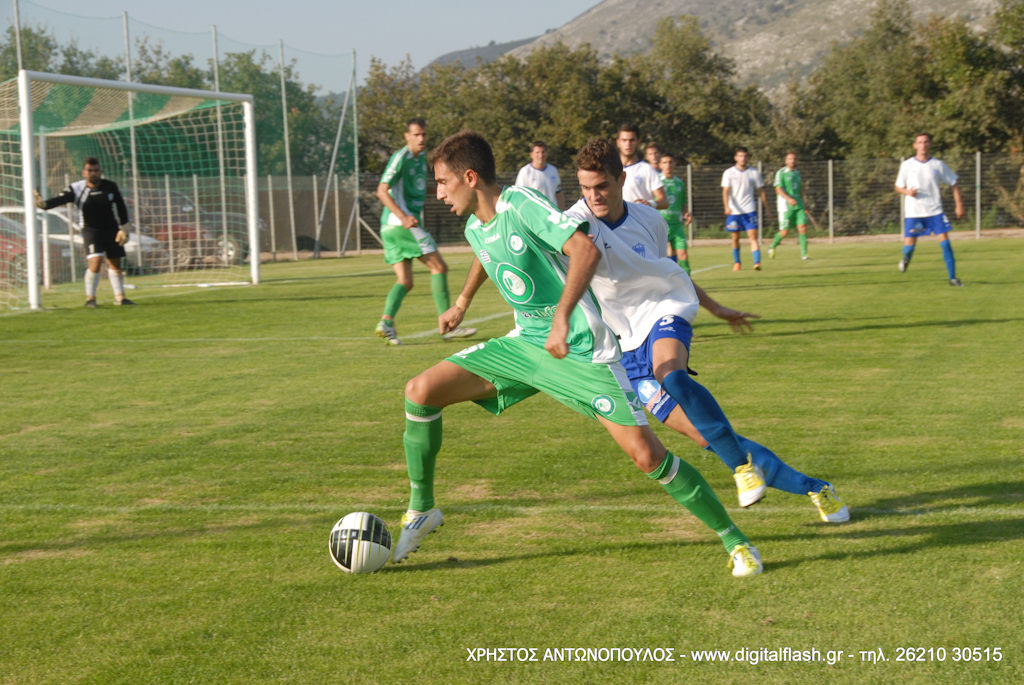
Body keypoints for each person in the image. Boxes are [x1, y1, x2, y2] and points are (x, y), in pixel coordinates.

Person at [393, 130, 763, 577]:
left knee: (647, 456)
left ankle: (735, 540)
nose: (437, 193)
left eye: (441, 182)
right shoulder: (475, 223)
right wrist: (462, 303)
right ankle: (422, 509)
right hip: (525, 345)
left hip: (584, 349)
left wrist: (563, 316)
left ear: (469, 177)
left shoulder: (523, 204)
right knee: (421, 391)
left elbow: (583, 248)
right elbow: (483, 252)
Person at [567, 138, 848, 522]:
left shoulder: (648, 219)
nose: (593, 196)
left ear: (621, 179)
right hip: (625, 348)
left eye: (601, 186)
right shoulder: (572, 223)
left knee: (673, 376)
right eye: (585, 188)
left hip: (665, 310)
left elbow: (664, 271)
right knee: (706, 436)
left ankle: (742, 471)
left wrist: (713, 307)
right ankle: (816, 488)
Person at [374, 117, 476, 344]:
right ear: (407, 136)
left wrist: (447, 190)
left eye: (424, 135)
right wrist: (404, 217)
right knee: (439, 267)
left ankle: (386, 322)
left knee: (405, 280)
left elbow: (420, 189)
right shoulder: (402, 157)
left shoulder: (422, 160)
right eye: (417, 134)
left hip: (390, 227)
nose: (421, 139)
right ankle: (447, 325)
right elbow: (381, 190)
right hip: (401, 225)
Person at [34, 157, 134, 307]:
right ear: (84, 173)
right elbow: (60, 199)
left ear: (100, 172)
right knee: (96, 261)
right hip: (90, 230)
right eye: (90, 171)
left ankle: (120, 298)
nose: (93, 173)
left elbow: (120, 206)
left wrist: (124, 228)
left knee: (116, 264)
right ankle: (90, 299)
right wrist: (44, 205)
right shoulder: (76, 188)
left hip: (111, 229)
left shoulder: (110, 186)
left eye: (96, 170)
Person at [894, 133, 964, 286]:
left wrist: (959, 205)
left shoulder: (938, 165)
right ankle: (906, 259)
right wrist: (908, 192)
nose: (923, 145)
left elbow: (953, 183)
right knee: (909, 247)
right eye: (919, 142)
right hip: (914, 212)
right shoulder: (907, 165)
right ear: (915, 145)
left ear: (930, 144)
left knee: (945, 243)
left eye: (925, 142)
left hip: (935, 211)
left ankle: (953, 278)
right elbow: (898, 186)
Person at [721, 146, 770, 271]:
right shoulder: (729, 172)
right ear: (735, 158)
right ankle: (737, 262)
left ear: (748, 157)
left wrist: (767, 208)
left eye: (745, 156)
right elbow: (726, 191)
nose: (743, 158)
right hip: (734, 211)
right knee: (735, 238)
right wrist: (726, 206)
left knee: (753, 237)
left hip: (749, 210)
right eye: (740, 156)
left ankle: (757, 263)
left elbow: (761, 191)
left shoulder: (754, 173)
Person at [615, 123, 668, 209]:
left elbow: (664, 202)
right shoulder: (610, 168)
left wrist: (651, 204)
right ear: (618, 142)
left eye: (632, 140)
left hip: (641, 221)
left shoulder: (647, 169)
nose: (628, 144)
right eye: (624, 140)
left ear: (638, 142)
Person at [769, 151, 810, 261]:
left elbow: (800, 189)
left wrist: (804, 205)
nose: (792, 161)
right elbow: (778, 189)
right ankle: (772, 246)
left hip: (798, 205)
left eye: (794, 159)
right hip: (786, 206)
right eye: (790, 159)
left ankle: (804, 255)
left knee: (802, 227)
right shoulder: (781, 173)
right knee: (784, 232)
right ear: (786, 161)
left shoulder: (797, 173)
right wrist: (788, 198)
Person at [658, 152, 692, 274]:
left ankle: (689, 283)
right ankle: (672, 281)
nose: (668, 165)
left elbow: (682, 202)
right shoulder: (657, 182)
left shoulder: (679, 183)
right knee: (666, 256)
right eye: (664, 162)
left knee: (683, 254)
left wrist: (686, 213)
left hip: (677, 225)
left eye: (670, 162)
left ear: (675, 164)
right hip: (662, 225)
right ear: (660, 165)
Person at [514, 140, 565, 209]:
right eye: (537, 152)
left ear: (547, 153)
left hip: (553, 214)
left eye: (543, 152)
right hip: (533, 214)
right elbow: (519, 197)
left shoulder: (553, 170)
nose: (541, 155)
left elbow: (559, 194)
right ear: (531, 154)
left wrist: (562, 213)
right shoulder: (525, 172)